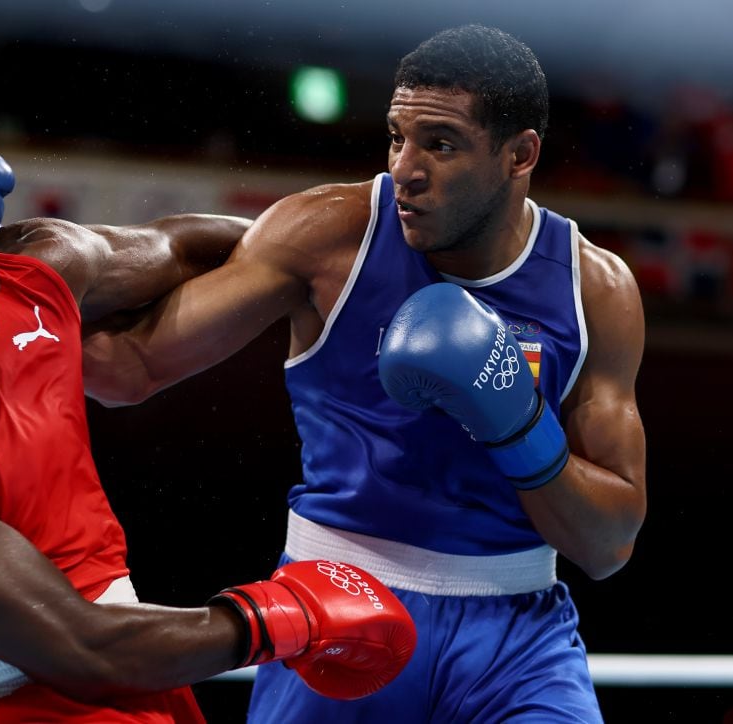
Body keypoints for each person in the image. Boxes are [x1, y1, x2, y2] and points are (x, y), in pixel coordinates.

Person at [82, 24, 647, 722]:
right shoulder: (329, 236)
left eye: (440, 145)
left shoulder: (593, 289)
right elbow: (130, 368)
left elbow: (609, 545)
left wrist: (519, 422)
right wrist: (2, 306)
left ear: (519, 154)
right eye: (396, 136)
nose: (406, 168)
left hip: (518, 637)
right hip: (337, 604)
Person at [0, 83, 417, 723]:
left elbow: (195, 248)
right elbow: (83, 648)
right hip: (23, 699)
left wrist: (350, 267)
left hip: (140, 672)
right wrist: (287, 616)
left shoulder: (30, 279)